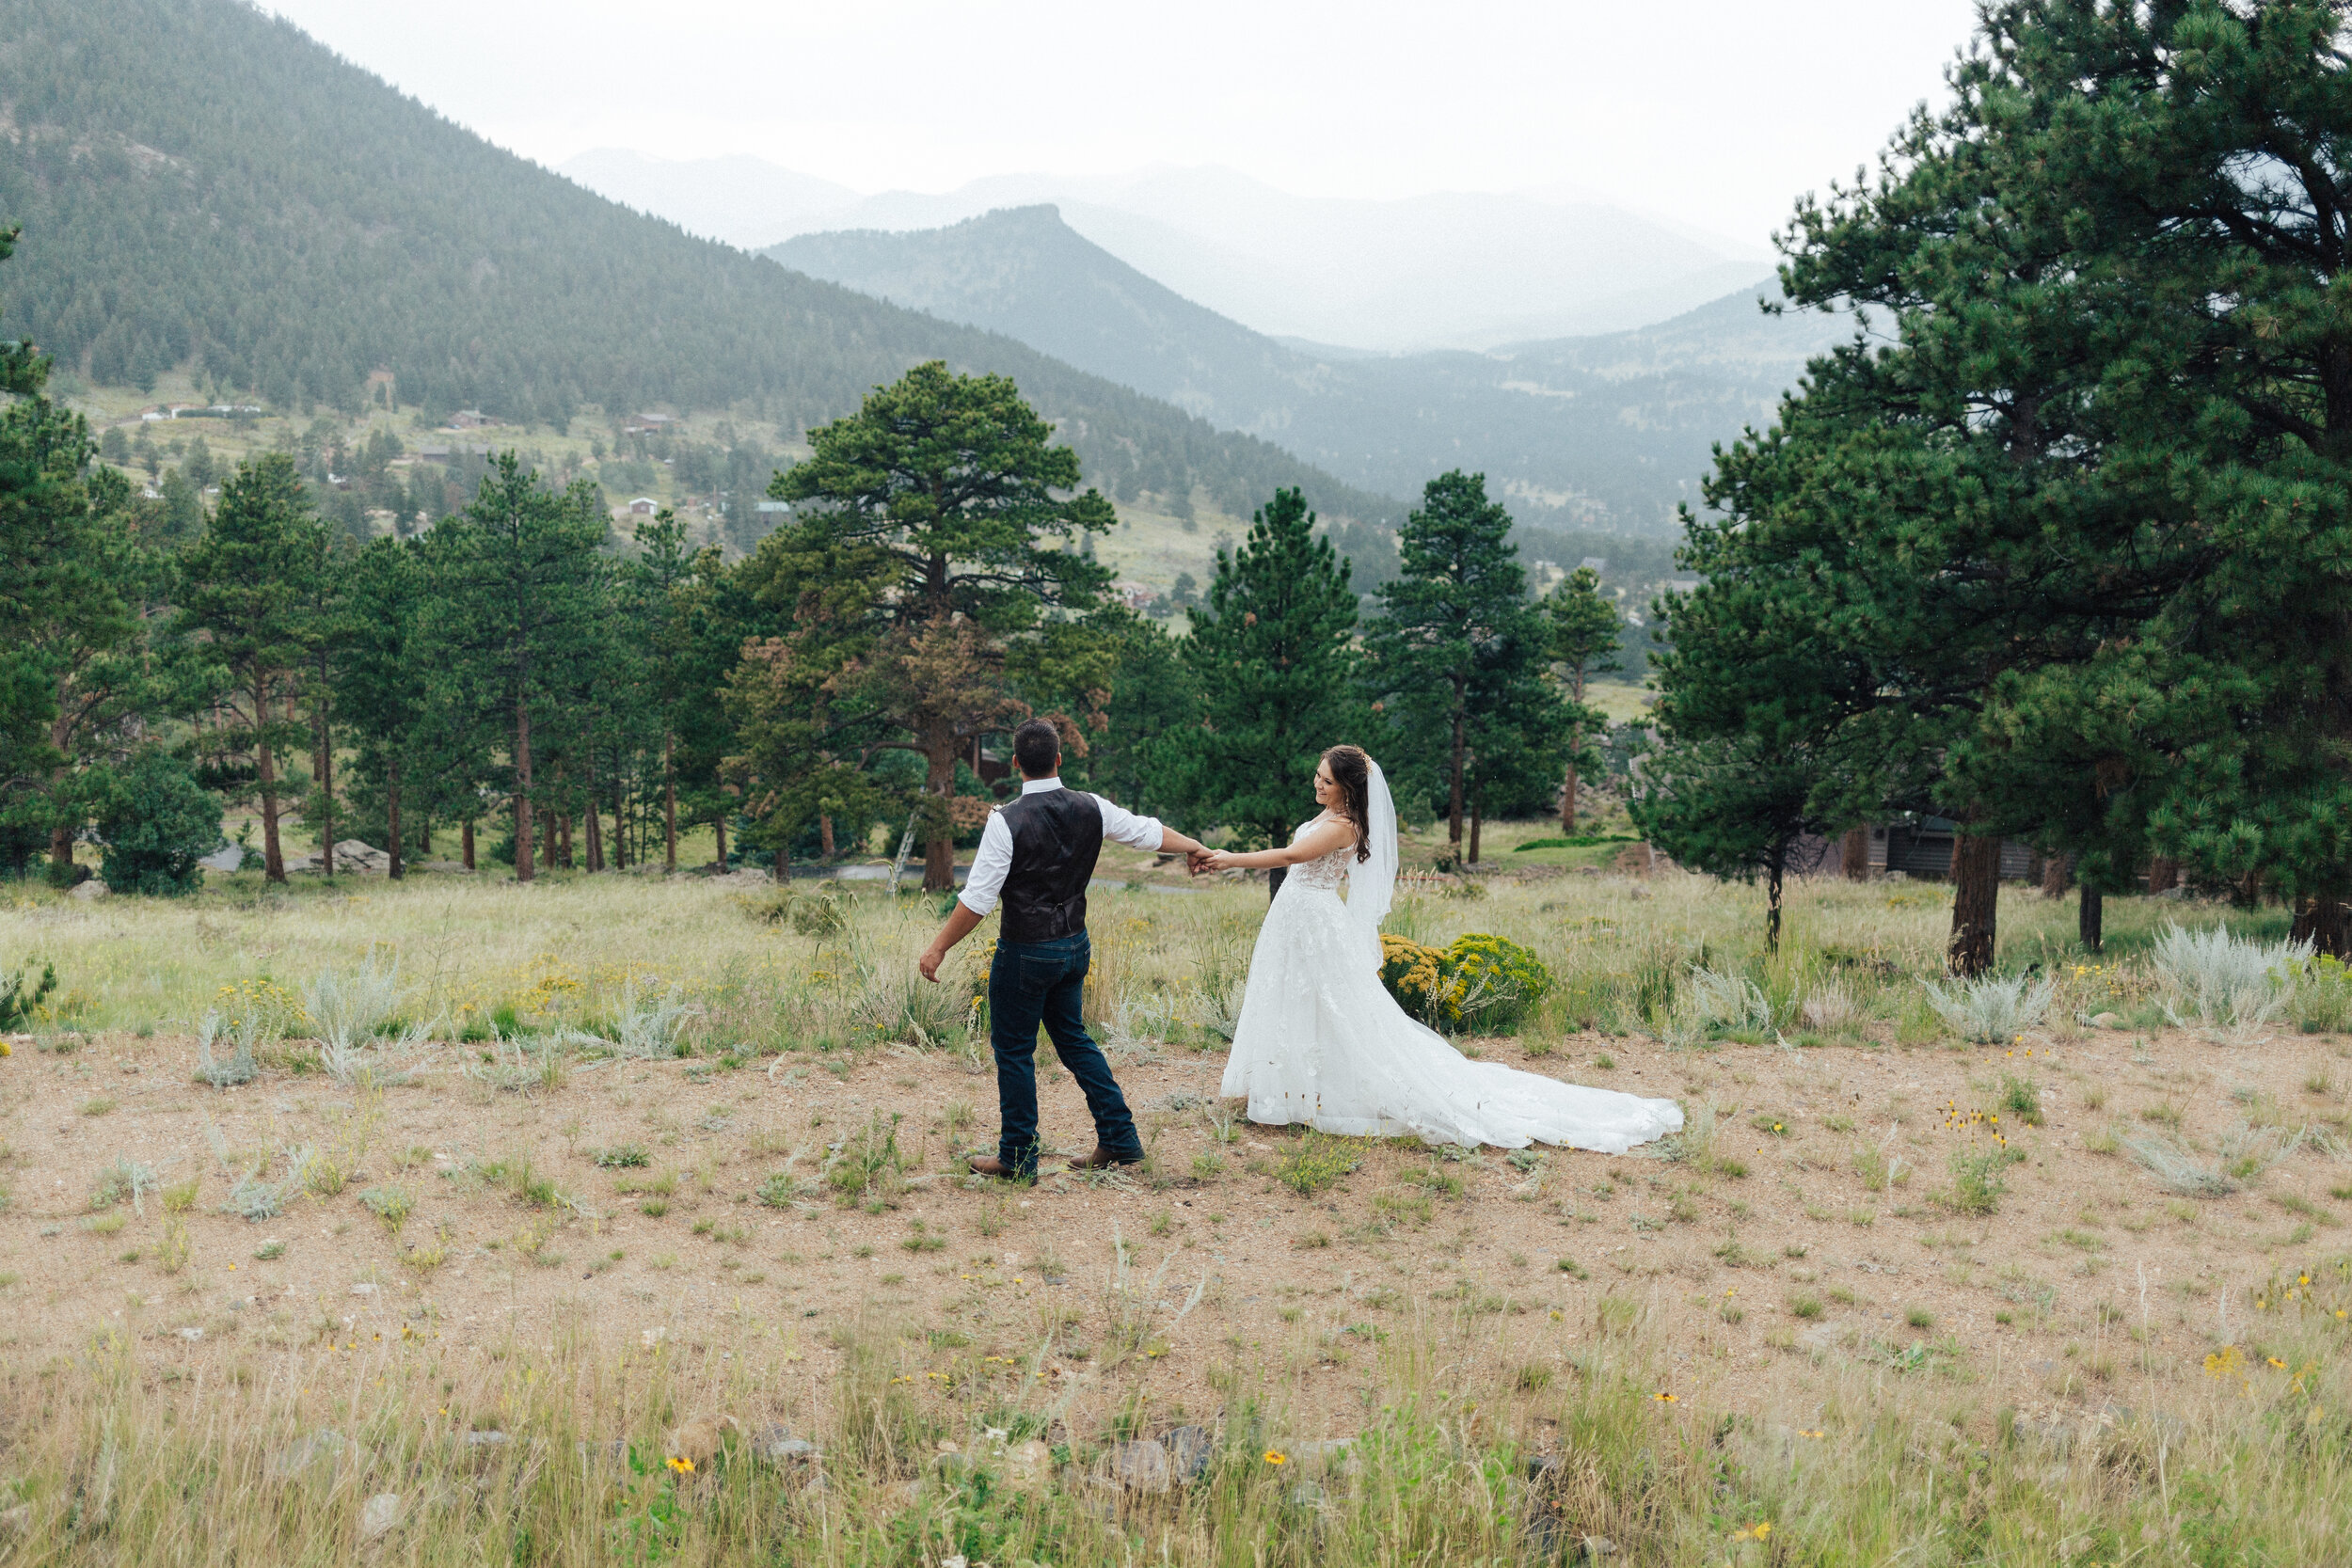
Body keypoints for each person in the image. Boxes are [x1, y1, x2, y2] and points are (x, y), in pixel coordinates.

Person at [1199, 744, 1682, 1152]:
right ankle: (1289, 1089)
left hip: (1314, 921)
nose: (1317, 785)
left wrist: (1227, 859)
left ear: (1347, 787)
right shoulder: (1330, 814)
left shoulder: (1344, 825)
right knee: (1294, 998)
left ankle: (1309, 1092)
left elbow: (1289, 856)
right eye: (1317, 777)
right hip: (1297, 917)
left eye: (1325, 780)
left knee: (1332, 1004)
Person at [918, 718, 1212, 1179]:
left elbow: (977, 900)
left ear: (1015, 763)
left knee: (1014, 1051)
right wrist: (1194, 846)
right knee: (1074, 1039)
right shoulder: (1091, 807)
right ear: (1059, 759)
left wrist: (937, 949)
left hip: (1025, 953)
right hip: (1074, 946)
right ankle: (1118, 1138)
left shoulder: (1005, 820)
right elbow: (1147, 832)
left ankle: (1018, 1157)